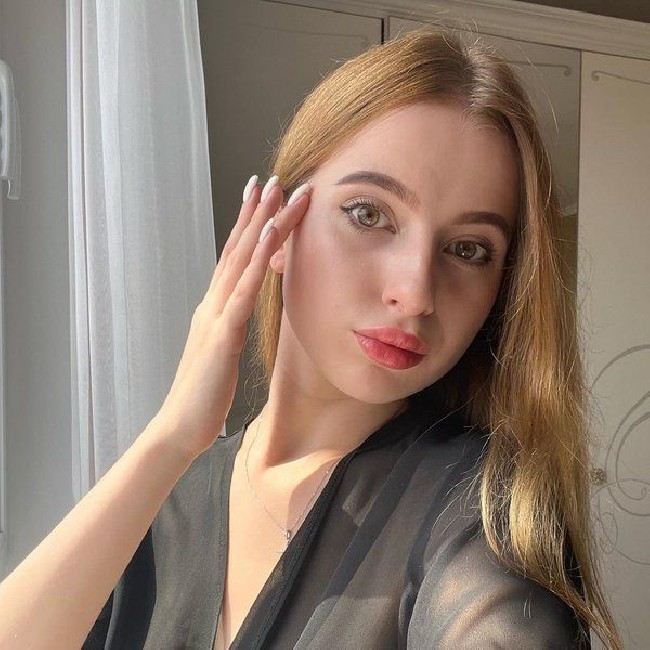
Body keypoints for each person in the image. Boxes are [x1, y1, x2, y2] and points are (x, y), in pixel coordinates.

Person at [0, 25, 621, 649]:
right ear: (276, 224)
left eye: (468, 249)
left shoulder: (479, 519)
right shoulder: (168, 499)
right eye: (369, 214)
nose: (415, 293)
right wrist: (170, 439)